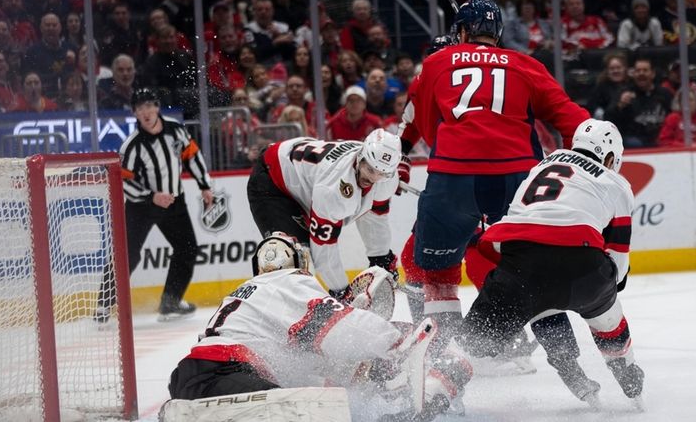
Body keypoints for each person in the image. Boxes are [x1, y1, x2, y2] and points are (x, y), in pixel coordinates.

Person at [407, 0, 591, 375]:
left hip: (454, 176)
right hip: (517, 177)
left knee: (439, 277)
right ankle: (569, 364)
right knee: (533, 269)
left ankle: (441, 365)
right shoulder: (527, 65)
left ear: (460, 32)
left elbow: (426, 126)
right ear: (499, 34)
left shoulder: (437, 62)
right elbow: (575, 121)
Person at [169, 232, 470, 419]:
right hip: (227, 373)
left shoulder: (252, 296)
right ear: (297, 261)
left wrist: (365, 372)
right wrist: (396, 342)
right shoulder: (288, 282)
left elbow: (311, 361)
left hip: (187, 378)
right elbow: (340, 325)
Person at [458, 119, 645, 405]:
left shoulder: (541, 165)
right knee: (606, 312)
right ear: (609, 156)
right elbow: (618, 266)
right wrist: (603, 294)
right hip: (581, 267)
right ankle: (627, 374)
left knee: (476, 341)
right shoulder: (615, 182)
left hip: (519, 262)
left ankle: (439, 382)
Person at [95, 88, 214, 323]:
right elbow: (123, 181)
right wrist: (152, 196)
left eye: (149, 106)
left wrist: (204, 185)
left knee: (187, 248)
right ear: (135, 114)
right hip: (142, 206)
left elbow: (192, 155)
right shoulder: (131, 145)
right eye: (140, 108)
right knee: (128, 254)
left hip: (174, 202)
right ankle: (103, 305)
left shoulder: (175, 130)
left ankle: (170, 302)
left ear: (157, 107)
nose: (146, 112)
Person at [246, 129, 401, 298]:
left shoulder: (387, 178)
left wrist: (381, 256)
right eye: (370, 170)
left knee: (301, 259)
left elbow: (373, 217)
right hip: (272, 182)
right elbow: (324, 251)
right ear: (360, 157)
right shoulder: (333, 189)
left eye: (382, 174)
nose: (373, 179)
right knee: (295, 257)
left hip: (305, 175)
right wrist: (342, 292)